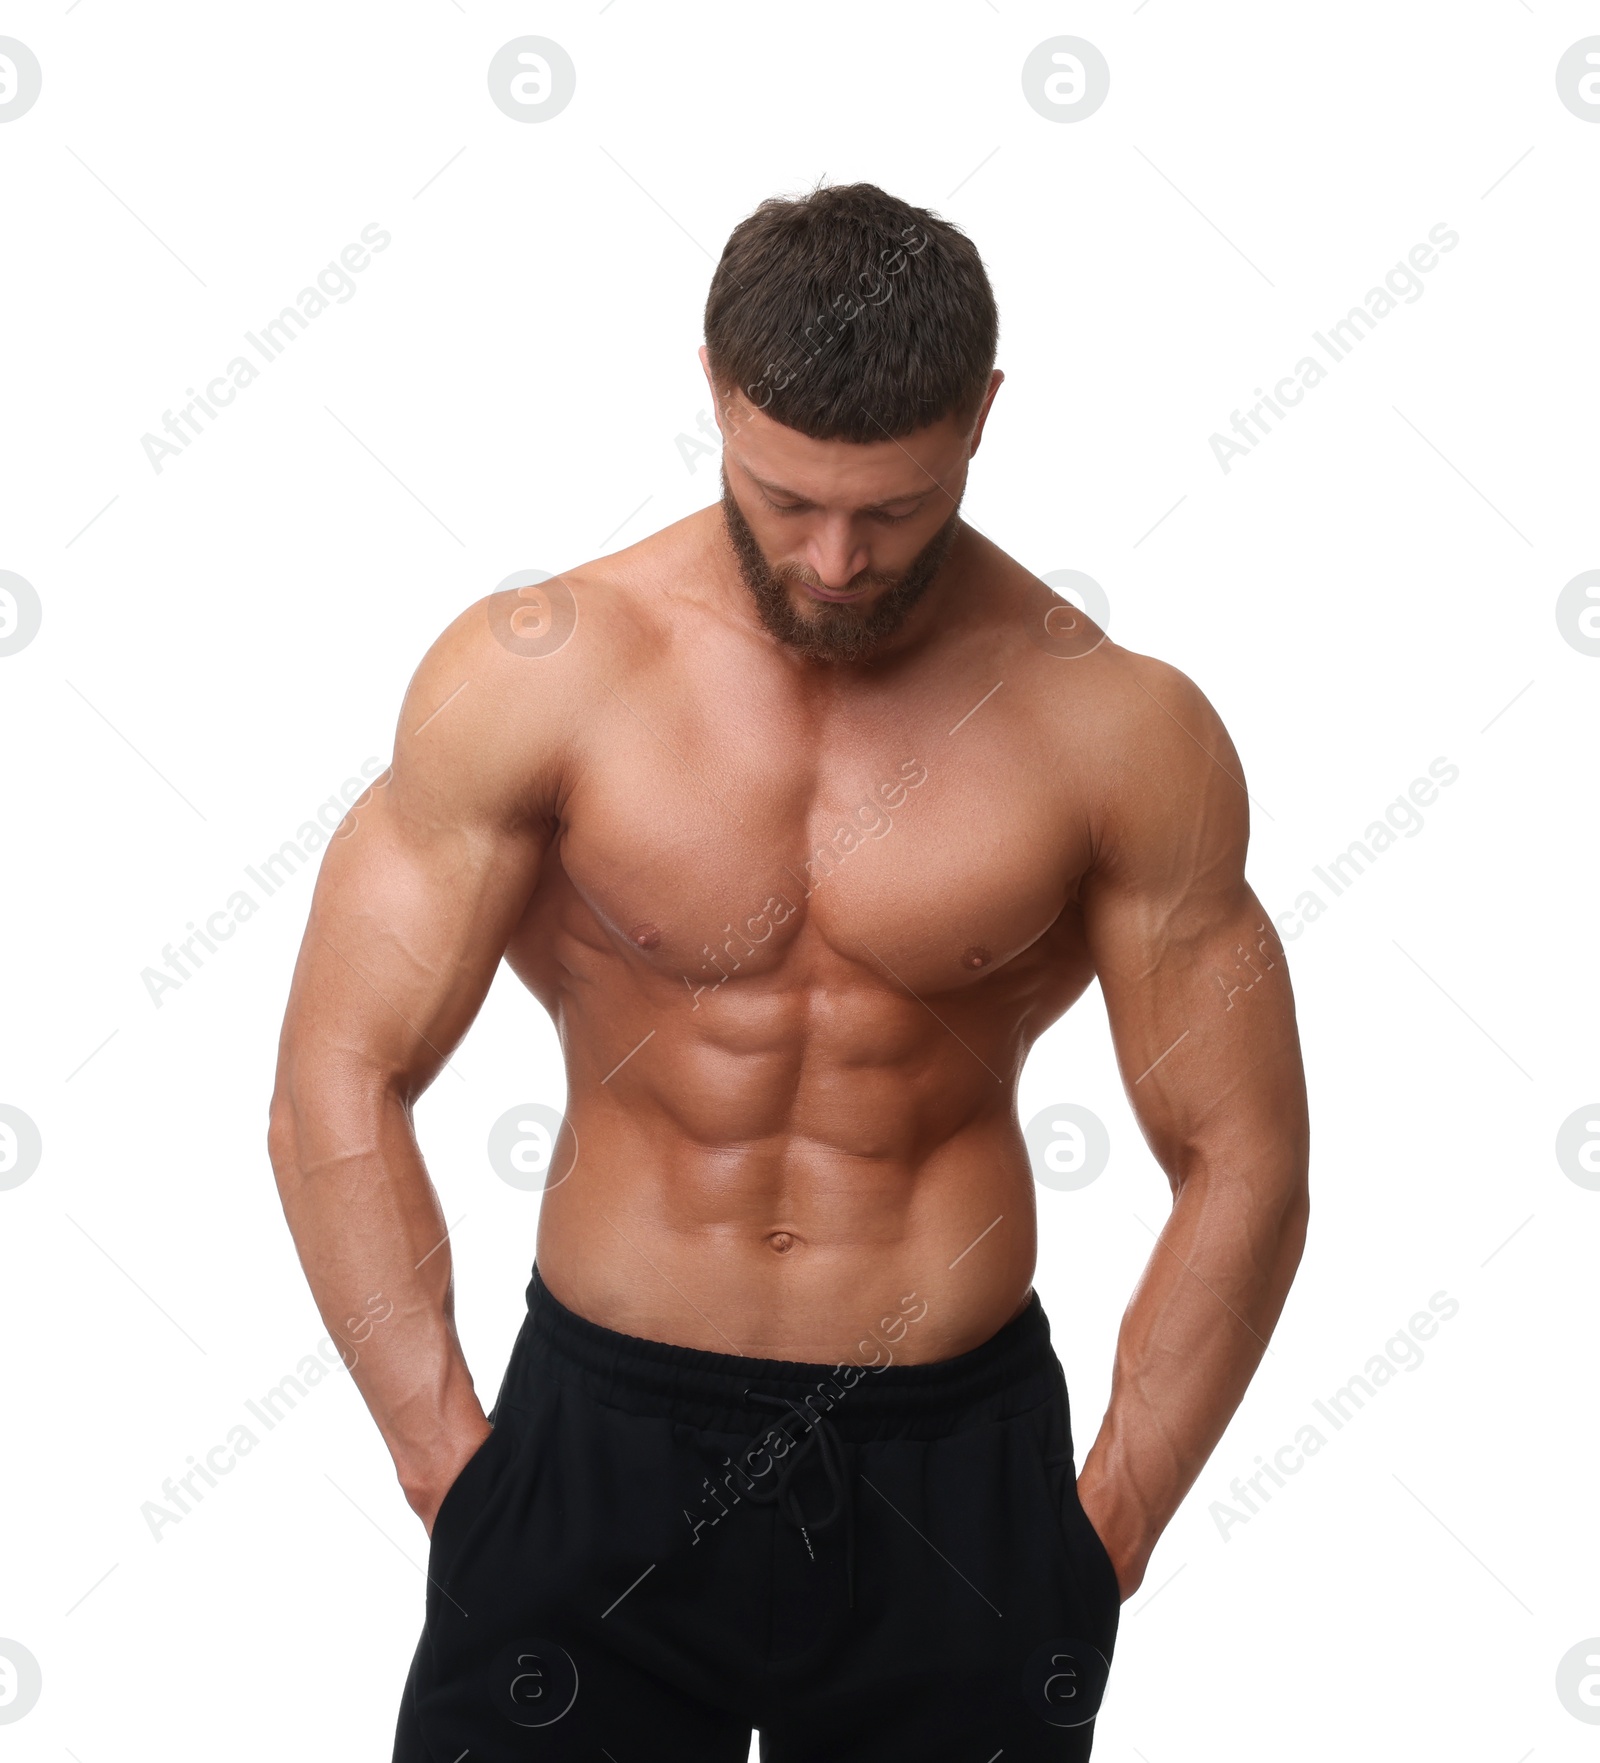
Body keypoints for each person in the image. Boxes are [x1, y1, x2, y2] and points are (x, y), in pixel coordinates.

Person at [268, 180, 1309, 1760]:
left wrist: (1107, 1530)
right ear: (713, 391)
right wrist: (449, 1464)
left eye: (891, 510)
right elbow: (341, 1074)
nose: (833, 561)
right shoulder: (541, 672)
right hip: (594, 1447)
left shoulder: (1117, 728)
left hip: (953, 1467)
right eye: (784, 497)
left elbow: (1243, 1153)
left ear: (982, 421)